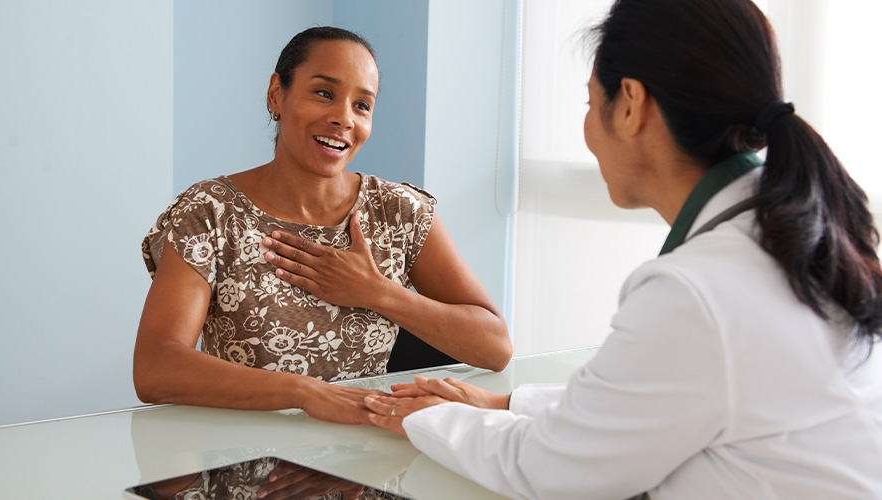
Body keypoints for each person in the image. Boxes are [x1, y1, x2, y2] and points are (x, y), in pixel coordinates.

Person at [363, 0, 882, 498]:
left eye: (591, 103)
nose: (587, 129)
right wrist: (504, 404)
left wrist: (428, 418)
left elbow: (551, 470)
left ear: (631, 104)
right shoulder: (797, 235)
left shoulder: (696, 289)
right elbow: (650, 401)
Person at [134, 26, 512, 426]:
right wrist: (305, 393)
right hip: (244, 464)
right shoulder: (210, 212)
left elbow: (495, 348)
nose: (343, 119)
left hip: (368, 457)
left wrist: (377, 292)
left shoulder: (400, 212)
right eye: (324, 93)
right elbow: (156, 368)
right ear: (277, 93)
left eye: (362, 105)